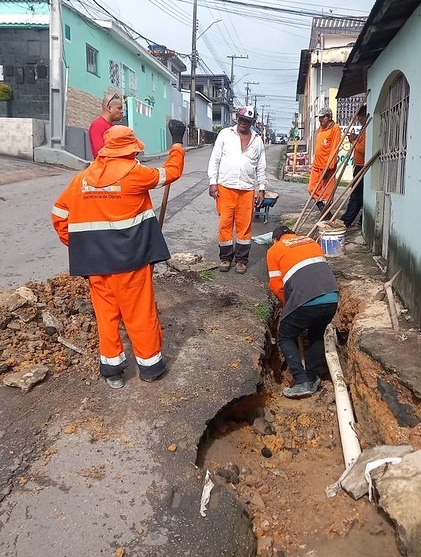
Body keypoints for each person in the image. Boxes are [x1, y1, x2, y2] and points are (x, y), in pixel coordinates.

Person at [51, 120, 187, 389]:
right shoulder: (135, 173)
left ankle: (112, 369)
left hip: (96, 266)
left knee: (106, 315)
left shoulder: (81, 179)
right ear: (129, 151)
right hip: (130, 264)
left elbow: (59, 216)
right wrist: (177, 143)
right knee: (139, 314)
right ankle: (150, 367)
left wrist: (84, 246)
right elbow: (171, 172)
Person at [267, 225, 339, 398]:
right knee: (316, 334)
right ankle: (312, 378)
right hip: (331, 297)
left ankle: (302, 381)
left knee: (285, 336)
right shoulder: (311, 241)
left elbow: (276, 285)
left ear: (275, 239)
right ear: (293, 234)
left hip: (306, 299)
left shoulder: (275, 249)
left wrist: (288, 305)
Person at [207, 105, 267, 274]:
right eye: (241, 119)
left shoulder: (257, 140)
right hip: (225, 187)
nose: (243, 123)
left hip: (247, 190)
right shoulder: (225, 134)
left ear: (252, 122)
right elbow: (215, 159)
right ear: (237, 119)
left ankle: (241, 260)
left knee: (244, 226)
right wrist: (213, 182)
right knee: (225, 224)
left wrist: (261, 188)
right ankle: (225, 259)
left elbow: (261, 167)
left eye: (247, 121)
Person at [308, 105, 342, 212]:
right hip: (317, 165)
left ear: (329, 117)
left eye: (323, 117)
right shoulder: (320, 129)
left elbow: (334, 149)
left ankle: (327, 213)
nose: (320, 120)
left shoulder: (335, 129)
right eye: (319, 118)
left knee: (327, 193)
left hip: (327, 166)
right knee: (312, 188)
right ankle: (321, 207)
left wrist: (329, 167)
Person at [342, 106, 367, 228]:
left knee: (356, 196)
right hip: (358, 166)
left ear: (364, 116)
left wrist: (353, 141)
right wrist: (356, 138)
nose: (359, 120)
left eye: (360, 118)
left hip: (362, 167)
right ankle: (352, 219)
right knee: (358, 196)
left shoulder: (368, 129)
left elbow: (363, 149)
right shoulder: (364, 129)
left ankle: (347, 220)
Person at [88, 92, 124, 159]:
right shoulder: (98, 125)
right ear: (110, 108)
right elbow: (100, 154)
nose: (122, 111)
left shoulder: (113, 127)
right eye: (119, 108)